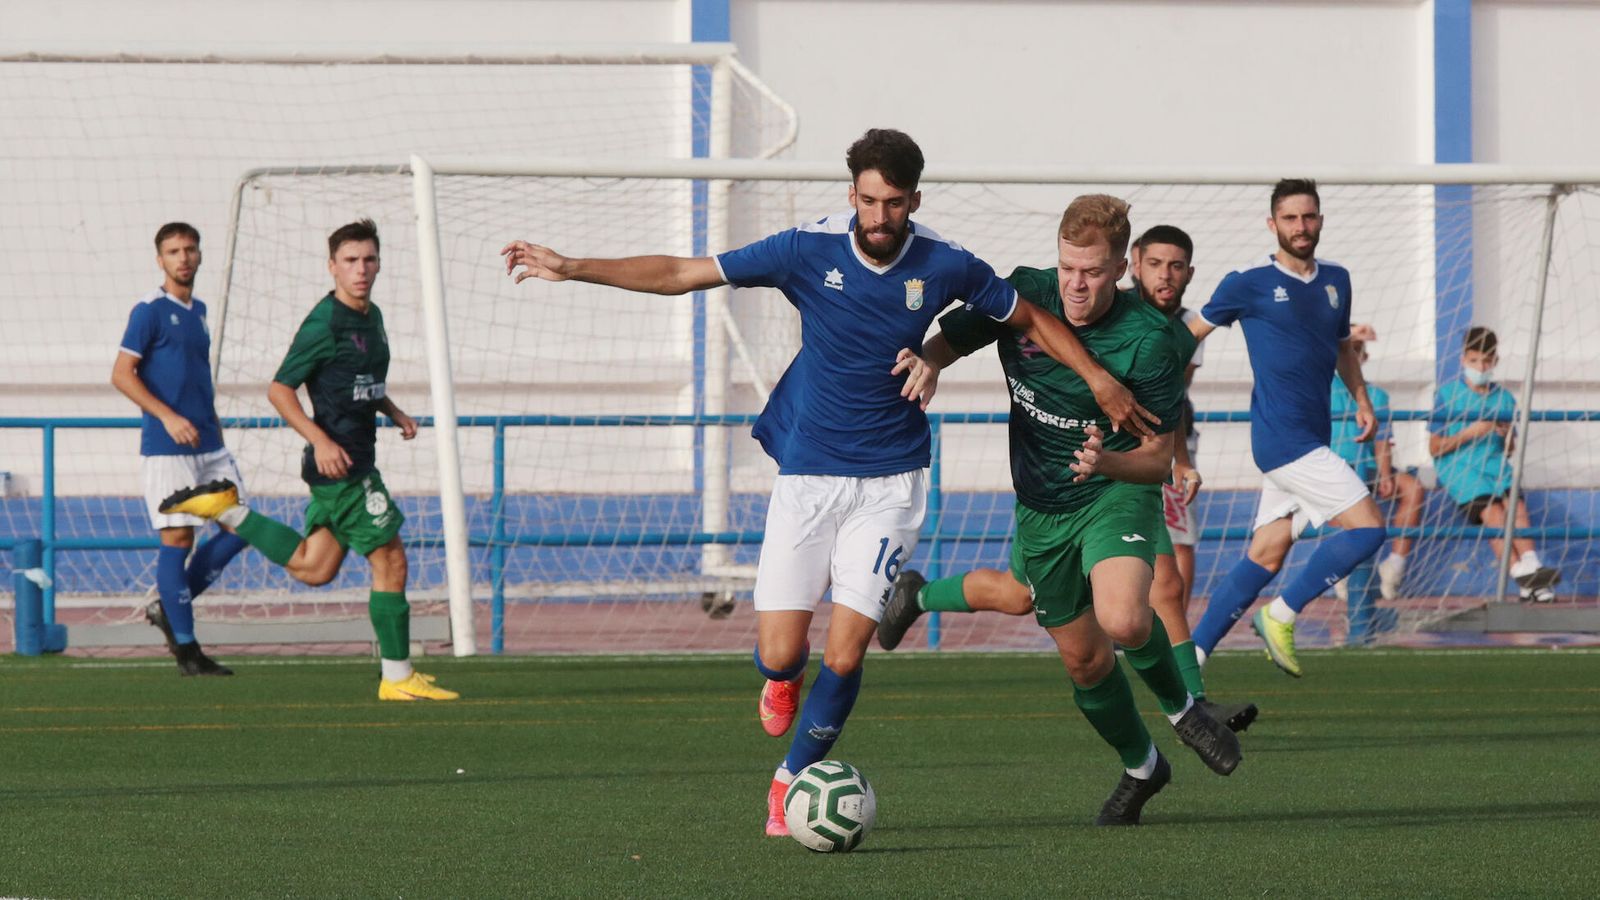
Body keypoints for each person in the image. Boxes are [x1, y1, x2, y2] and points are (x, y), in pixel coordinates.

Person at [498, 129, 1160, 837]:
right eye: (869, 201)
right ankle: (780, 679)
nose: (880, 217)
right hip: (809, 477)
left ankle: (789, 782)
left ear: (913, 200)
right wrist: (573, 267)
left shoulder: (944, 262)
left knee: (846, 651)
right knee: (784, 652)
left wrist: (1096, 378)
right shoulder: (805, 250)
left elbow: (1025, 315)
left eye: (895, 203)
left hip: (891, 483)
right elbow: (684, 273)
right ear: (851, 195)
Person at [889, 196, 1242, 826]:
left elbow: (1159, 460)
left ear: (1120, 270)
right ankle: (1142, 768)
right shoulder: (1023, 294)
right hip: (1041, 505)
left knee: (1126, 618)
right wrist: (929, 361)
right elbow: (952, 338)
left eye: (1094, 272)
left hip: (1114, 490)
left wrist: (1108, 464)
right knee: (1084, 660)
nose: (1077, 285)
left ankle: (1185, 709)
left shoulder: (1152, 341)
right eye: (1068, 269)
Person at [157, 219, 459, 701]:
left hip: (353, 458)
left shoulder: (371, 316)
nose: (361, 270)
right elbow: (279, 390)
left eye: (369, 260)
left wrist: (392, 409)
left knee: (315, 568)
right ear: (332, 267)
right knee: (391, 559)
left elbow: (360, 383)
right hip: (343, 466)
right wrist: (319, 440)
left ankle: (228, 511)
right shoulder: (325, 322)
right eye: (350, 261)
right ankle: (398, 678)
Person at [1187, 179, 1388, 677]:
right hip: (1282, 439)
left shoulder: (1337, 280)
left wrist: (1361, 399)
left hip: (1310, 436)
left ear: (1320, 219)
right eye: (1291, 218)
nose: (1302, 226)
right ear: (1272, 223)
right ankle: (1281, 614)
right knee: (1368, 529)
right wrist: (1140, 378)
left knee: (1266, 553)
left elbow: (1343, 346)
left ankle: (1187, 663)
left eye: (1309, 216)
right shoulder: (1248, 283)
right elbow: (1188, 334)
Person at [111, 222, 250, 676]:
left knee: (242, 527)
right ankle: (188, 650)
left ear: (200, 255)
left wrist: (216, 430)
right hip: (167, 447)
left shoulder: (201, 311)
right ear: (160, 260)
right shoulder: (148, 311)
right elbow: (121, 374)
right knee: (179, 538)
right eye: (173, 251)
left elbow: (197, 378)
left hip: (210, 445)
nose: (183, 258)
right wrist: (168, 417)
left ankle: (168, 606)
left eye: (190, 249)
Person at [1428, 326, 1560, 602]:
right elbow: (1435, 447)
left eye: (1486, 361)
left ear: (1495, 362)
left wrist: (1504, 434)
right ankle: (1520, 573)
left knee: (1516, 507)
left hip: (1495, 467)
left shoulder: (1504, 398)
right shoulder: (1446, 395)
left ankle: (1531, 569)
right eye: (1475, 360)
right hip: (1462, 471)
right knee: (1493, 513)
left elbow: (1510, 447)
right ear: (1463, 359)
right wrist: (1469, 433)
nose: (1481, 367)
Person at [1329, 324, 1424, 602]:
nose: (1354, 355)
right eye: (1350, 350)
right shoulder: (1323, 386)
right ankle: (1342, 573)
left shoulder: (1377, 396)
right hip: (1336, 467)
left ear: (1365, 359)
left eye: (1359, 351)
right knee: (1344, 502)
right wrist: (1348, 336)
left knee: (1413, 489)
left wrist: (1385, 475)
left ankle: (1393, 567)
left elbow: (1382, 441)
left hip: (1367, 466)